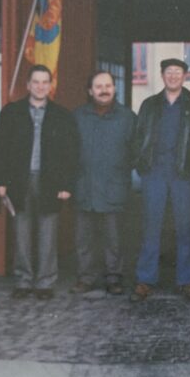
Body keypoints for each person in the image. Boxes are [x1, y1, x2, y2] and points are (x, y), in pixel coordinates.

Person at [0, 65, 79, 300]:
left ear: (50, 85)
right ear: (28, 85)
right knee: (21, 232)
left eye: (45, 82)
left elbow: (71, 153)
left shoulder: (62, 116)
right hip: (19, 180)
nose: (40, 87)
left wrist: (66, 185)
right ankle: (23, 280)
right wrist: (0, 181)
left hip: (50, 181)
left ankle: (45, 282)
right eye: (36, 82)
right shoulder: (11, 112)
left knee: (48, 233)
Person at [132, 58, 190, 302]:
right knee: (151, 226)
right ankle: (145, 280)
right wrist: (142, 165)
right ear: (162, 75)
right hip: (155, 172)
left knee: (185, 227)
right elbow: (138, 136)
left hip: (183, 173)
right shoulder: (150, 104)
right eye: (169, 72)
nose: (173, 76)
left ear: (184, 76)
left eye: (178, 72)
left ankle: (187, 281)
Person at [70, 71, 138, 297]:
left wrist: (121, 172)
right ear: (90, 91)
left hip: (114, 186)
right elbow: (68, 152)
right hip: (85, 186)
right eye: (98, 86)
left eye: (108, 86)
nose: (104, 90)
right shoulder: (78, 116)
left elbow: (136, 152)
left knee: (114, 238)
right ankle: (85, 278)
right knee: (84, 238)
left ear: (114, 89)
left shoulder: (127, 118)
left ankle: (114, 277)